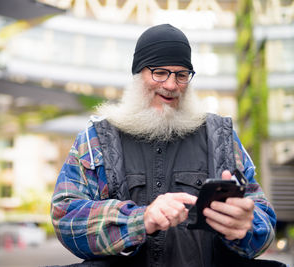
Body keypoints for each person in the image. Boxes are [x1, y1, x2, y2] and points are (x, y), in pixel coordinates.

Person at [50, 24, 277, 267]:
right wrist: (139, 220)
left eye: (181, 75)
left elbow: (263, 220)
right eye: (159, 72)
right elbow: (66, 216)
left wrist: (247, 226)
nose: (171, 85)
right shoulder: (96, 138)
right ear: (138, 74)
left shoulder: (221, 137)